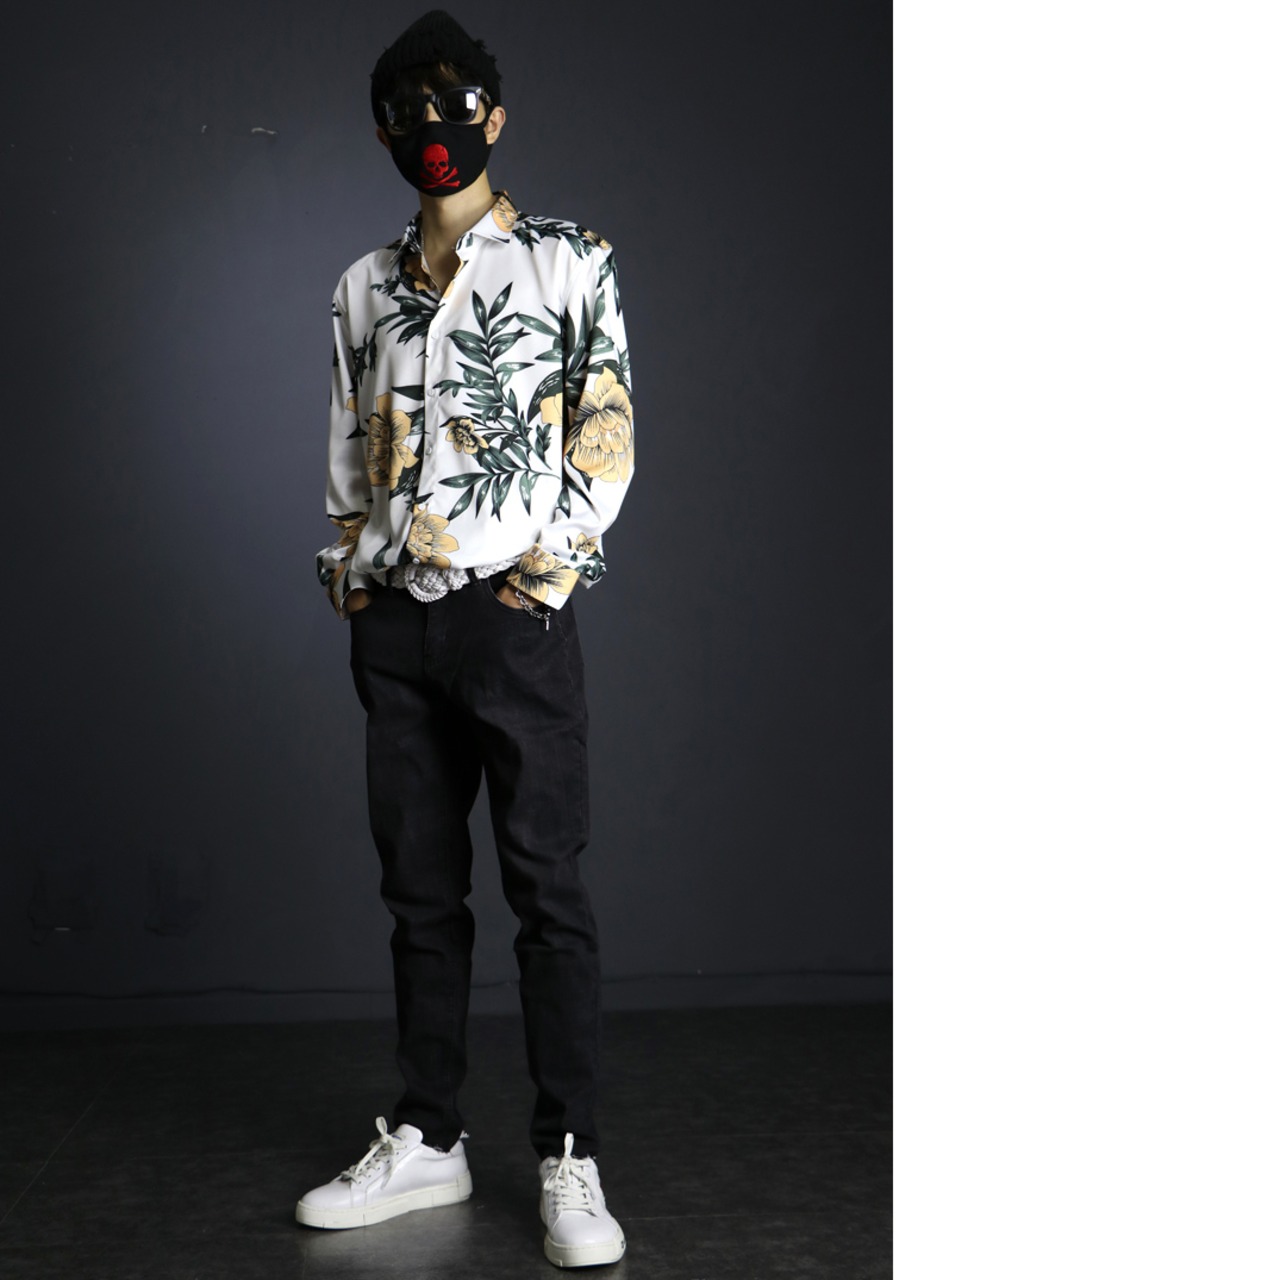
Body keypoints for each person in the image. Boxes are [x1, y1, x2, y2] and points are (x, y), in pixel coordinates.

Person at [293, 9, 635, 1269]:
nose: (429, 131)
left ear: (493, 116)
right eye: (405, 114)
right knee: (418, 892)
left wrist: (542, 582)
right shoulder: (360, 287)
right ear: (381, 130)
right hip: (395, 626)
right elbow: (348, 442)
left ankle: (568, 1153)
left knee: (547, 889)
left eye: (451, 107)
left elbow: (602, 429)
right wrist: (351, 570)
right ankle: (429, 1134)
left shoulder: (567, 261)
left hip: (511, 621)